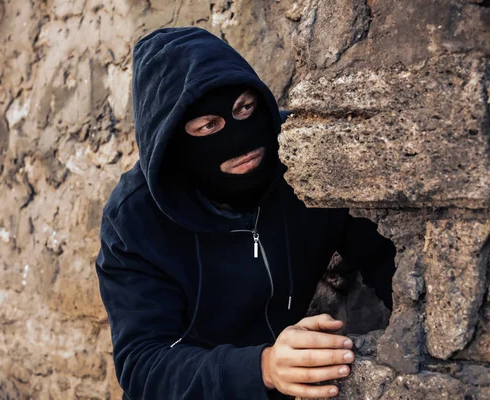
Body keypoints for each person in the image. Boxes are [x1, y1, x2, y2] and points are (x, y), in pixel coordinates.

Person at [95, 27, 395, 400]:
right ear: (173, 141)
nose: (239, 140)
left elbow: (387, 255)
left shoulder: (302, 158)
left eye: (244, 108)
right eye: (208, 126)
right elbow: (143, 365)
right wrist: (263, 367)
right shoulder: (134, 220)